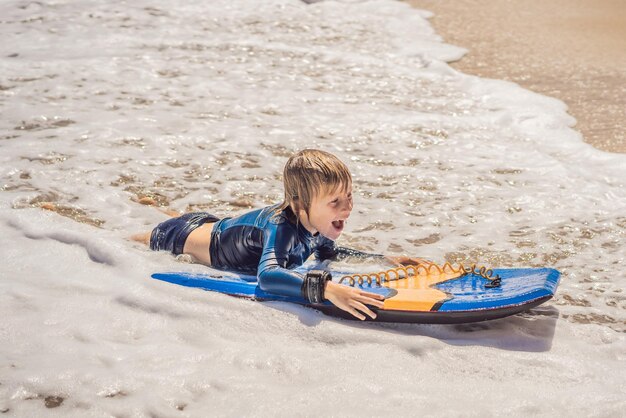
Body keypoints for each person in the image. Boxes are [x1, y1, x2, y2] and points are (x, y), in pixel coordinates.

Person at [132, 149, 423, 320]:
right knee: (132, 240)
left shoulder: (313, 223)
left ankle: (154, 206)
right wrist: (326, 288)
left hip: (210, 224)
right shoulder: (282, 228)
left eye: (349, 196)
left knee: (178, 219)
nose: (347, 207)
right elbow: (268, 276)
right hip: (175, 237)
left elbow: (330, 253)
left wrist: (386, 260)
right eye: (335, 202)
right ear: (299, 205)